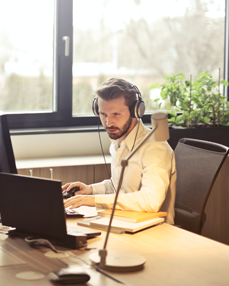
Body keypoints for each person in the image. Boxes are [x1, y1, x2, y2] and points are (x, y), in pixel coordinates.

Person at [63, 77, 176, 224]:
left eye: (116, 114)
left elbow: (150, 201)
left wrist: (94, 200)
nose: (109, 123)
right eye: (103, 114)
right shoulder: (119, 141)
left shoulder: (155, 148)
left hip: (154, 232)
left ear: (136, 111)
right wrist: (90, 190)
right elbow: (119, 187)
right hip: (124, 222)